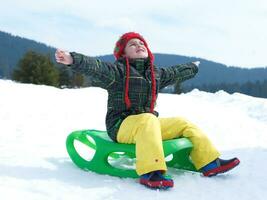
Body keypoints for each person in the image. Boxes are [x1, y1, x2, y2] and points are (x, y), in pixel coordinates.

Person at [55, 32, 240, 189]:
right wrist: (72, 59)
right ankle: (151, 172)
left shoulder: (155, 74)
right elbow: (96, 67)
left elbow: (174, 73)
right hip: (121, 126)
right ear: (123, 54)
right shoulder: (117, 72)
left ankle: (210, 163)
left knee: (183, 124)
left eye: (141, 43)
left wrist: (192, 68)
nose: (139, 45)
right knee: (148, 119)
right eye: (132, 44)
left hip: (146, 126)